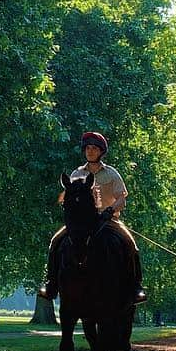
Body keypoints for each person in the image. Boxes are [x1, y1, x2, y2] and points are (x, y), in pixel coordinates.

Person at [39, 131, 147, 305]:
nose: (90, 151)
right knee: (55, 241)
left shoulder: (112, 174)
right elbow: (68, 197)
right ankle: (51, 283)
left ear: (101, 151)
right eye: (88, 148)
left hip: (108, 221)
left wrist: (109, 211)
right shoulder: (76, 174)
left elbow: (121, 198)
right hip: (81, 224)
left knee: (130, 244)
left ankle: (136, 286)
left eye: (94, 148)